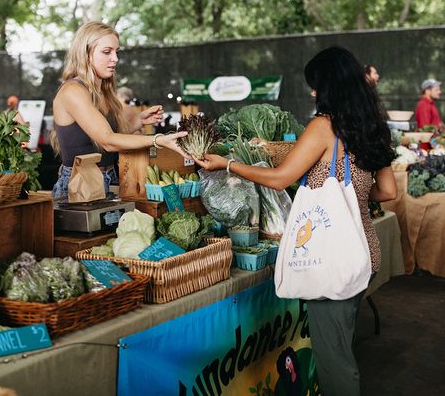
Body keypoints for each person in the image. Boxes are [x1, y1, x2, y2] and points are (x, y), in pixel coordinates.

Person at [195, 46, 396, 396]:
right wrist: (353, 193)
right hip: (365, 252)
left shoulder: (324, 126)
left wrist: (227, 165)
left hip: (333, 255)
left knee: (335, 361)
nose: (313, 92)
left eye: (315, 85)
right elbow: (388, 191)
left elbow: (280, 178)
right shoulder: (373, 127)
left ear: (329, 86)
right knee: (342, 343)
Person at [51, 21, 186, 200]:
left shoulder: (104, 91)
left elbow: (110, 136)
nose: (115, 58)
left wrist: (139, 121)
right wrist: (158, 140)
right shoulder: (72, 91)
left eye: (116, 52)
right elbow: (107, 141)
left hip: (109, 177)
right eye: (107, 52)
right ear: (85, 54)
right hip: (79, 184)